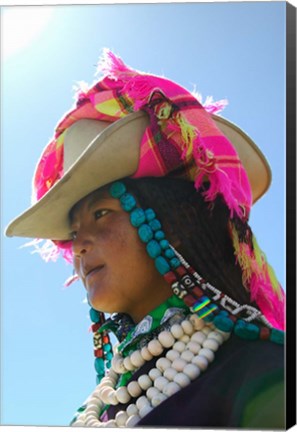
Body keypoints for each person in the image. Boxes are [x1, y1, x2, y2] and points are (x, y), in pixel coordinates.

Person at [5, 49, 285, 428]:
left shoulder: (263, 374)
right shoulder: (99, 408)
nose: (80, 245)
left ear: (175, 223)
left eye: (102, 214)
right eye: (73, 233)